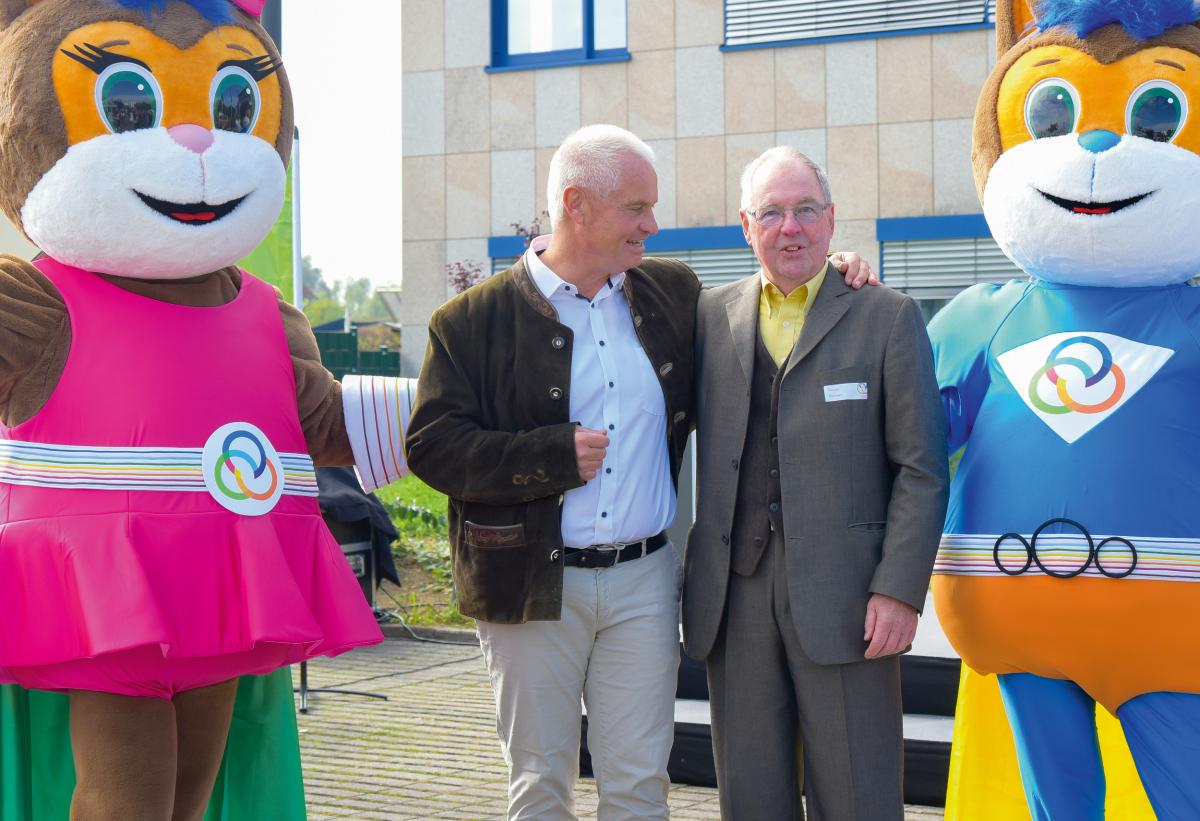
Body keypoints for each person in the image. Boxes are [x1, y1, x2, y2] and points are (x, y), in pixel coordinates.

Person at [406, 125, 875, 820]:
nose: (652, 224)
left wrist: (830, 272)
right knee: (540, 785)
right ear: (576, 205)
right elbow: (432, 446)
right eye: (636, 208)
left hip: (644, 583)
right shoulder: (470, 321)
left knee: (639, 786)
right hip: (527, 585)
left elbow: (760, 311)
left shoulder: (671, 293)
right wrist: (550, 456)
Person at [682, 146, 949, 820]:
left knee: (859, 794)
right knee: (751, 798)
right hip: (734, 595)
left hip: (849, 599)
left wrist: (899, 589)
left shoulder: (887, 316)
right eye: (771, 212)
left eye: (805, 210)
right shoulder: (707, 316)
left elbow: (920, 468)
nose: (790, 227)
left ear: (831, 220)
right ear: (746, 225)